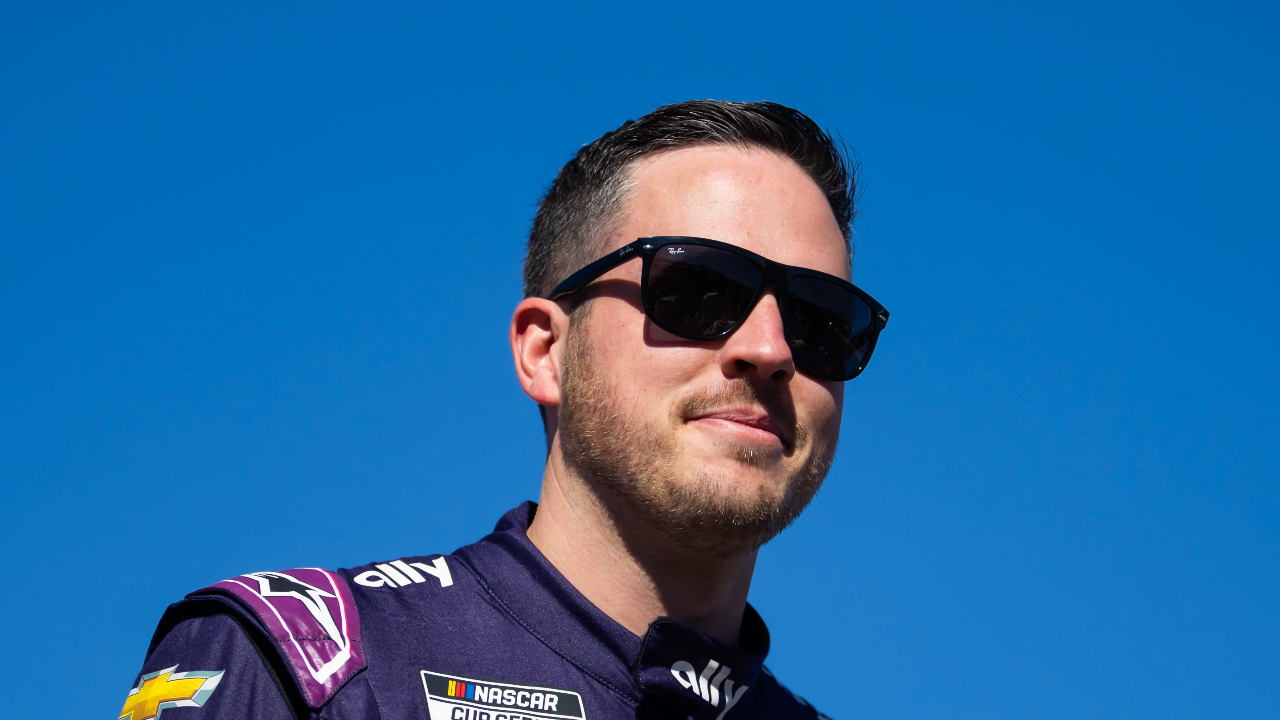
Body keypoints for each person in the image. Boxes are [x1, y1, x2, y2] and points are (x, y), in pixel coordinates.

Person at [119, 100, 889, 720]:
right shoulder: (303, 671)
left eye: (821, 321)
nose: (770, 348)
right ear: (543, 351)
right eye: (700, 291)